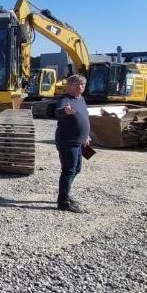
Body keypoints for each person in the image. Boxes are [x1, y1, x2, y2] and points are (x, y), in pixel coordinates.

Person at [55, 74, 91, 212]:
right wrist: (65, 110)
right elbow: (57, 112)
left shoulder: (81, 99)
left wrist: (86, 136)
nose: (81, 87)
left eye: (83, 85)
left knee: (77, 169)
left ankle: (65, 193)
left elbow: (85, 117)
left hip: (80, 142)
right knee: (68, 171)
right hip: (68, 142)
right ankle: (63, 201)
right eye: (77, 85)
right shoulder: (65, 100)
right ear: (69, 86)